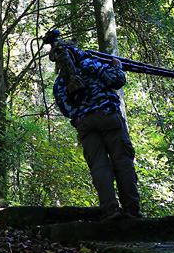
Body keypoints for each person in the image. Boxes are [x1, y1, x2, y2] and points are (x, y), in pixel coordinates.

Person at [49, 35, 142, 221]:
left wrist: (81, 113)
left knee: (99, 166)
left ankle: (110, 211)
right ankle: (132, 211)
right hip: (109, 116)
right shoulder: (93, 64)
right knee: (122, 162)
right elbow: (116, 81)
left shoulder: (60, 82)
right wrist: (117, 67)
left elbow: (66, 109)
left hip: (85, 123)